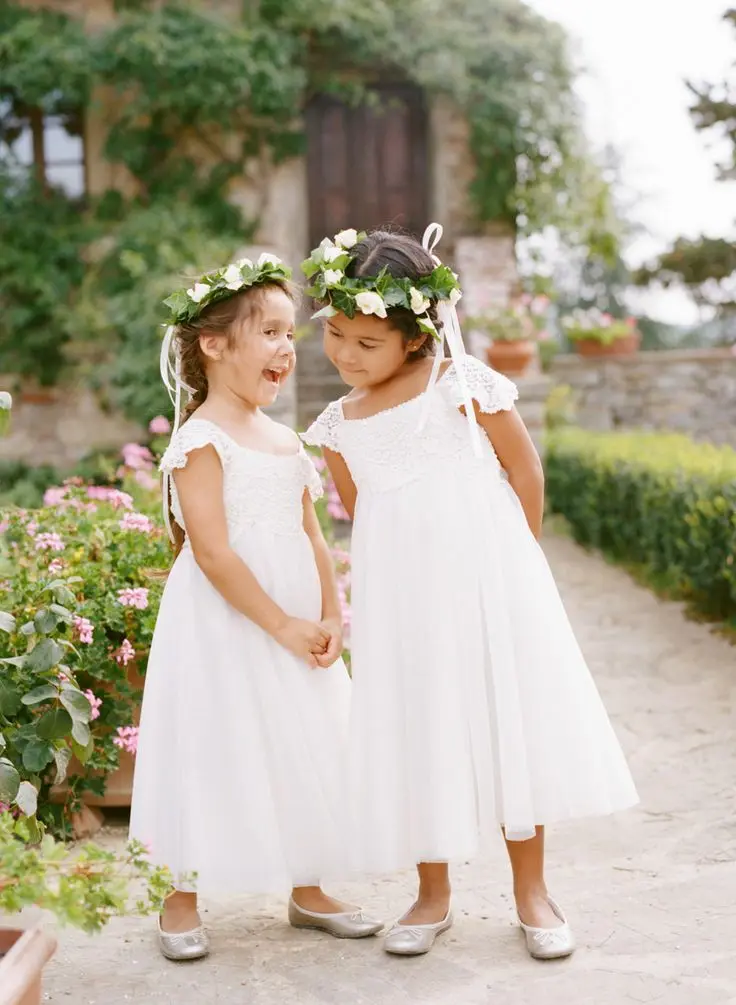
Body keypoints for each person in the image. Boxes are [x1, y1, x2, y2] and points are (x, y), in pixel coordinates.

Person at [302, 225, 638, 959]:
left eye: (366, 343)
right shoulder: (337, 426)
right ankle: (432, 892)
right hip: (404, 606)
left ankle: (532, 890)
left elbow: (525, 471)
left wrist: (516, 568)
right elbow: (364, 510)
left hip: (490, 587)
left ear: (418, 338)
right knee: (421, 729)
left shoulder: (462, 384)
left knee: (506, 721)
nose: (344, 355)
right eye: (336, 334)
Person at [130, 254, 382, 962]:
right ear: (213, 345)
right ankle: (179, 894)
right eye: (269, 332)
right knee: (210, 740)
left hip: (296, 615)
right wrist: (278, 622)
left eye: (288, 336)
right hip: (225, 618)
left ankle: (308, 886)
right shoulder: (201, 440)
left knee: (306, 734)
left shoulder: (284, 439)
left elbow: (313, 529)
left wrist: (332, 611)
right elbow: (211, 552)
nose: (285, 348)